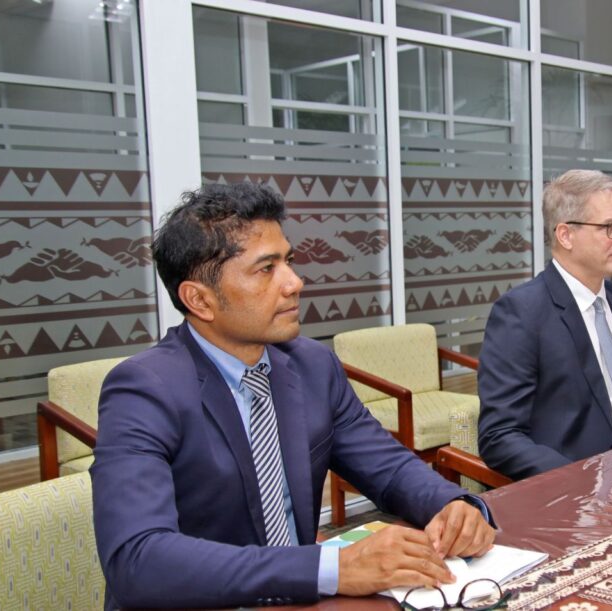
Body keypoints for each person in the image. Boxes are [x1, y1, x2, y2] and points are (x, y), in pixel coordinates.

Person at [90, 183, 494, 610]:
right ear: (200, 300)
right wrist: (332, 568)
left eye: (289, 261)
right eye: (266, 269)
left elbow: (389, 468)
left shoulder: (311, 365)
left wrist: (454, 505)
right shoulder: (143, 390)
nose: (294, 282)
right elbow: (138, 560)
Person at [477, 169, 612, 481]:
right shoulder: (521, 313)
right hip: (594, 480)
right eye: (610, 227)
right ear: (565, 235)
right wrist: (580, 480)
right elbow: (499, 436)